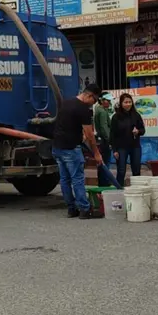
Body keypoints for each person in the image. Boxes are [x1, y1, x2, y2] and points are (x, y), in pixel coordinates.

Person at [52, 83, 103, 219]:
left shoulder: (66, 103)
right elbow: (90, 134)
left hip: (57, 147)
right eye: (95, 100)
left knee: (64, 179)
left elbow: (67, 124)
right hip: (71, 148)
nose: (93, 104)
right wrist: (97, 153)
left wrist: (81, 134)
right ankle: (85, 209)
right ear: (89, 95)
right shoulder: (83, 109)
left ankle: (71, 209)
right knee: (77, 179)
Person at [110, 93, 145, 188]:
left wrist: (138, 131)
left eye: (130, 102)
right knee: (121, 170)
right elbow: (112, 135)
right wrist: (115, 150)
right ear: (121, 103)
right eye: (125, 102)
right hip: (121, 147)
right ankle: (118, 190)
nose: (128, 104)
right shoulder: (116, 117)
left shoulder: (136, 115)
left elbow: (143, 130)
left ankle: (137, 190)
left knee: (136, 169)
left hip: (135, 146)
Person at [93, 93, 113, 188]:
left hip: (101, 139)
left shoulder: (98, 110)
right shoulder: (102, 112)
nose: (109, 103)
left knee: (102, 163)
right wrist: (109, 140)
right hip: (105, 141)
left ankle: (102, 182)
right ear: (102, 101)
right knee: (105, 162)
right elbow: (104, 127)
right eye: (107, 101)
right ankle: (104, 182)